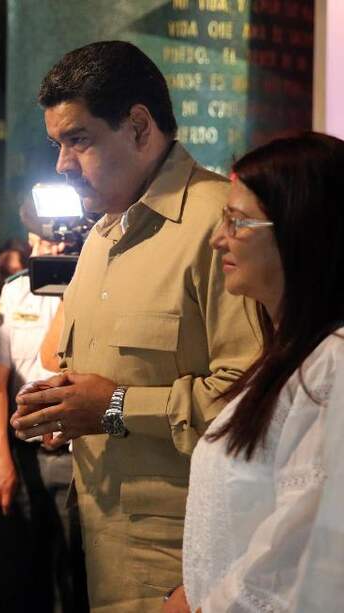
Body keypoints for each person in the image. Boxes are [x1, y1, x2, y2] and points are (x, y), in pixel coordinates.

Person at [10, 41, 259, 611]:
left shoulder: (221, 225)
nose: (62, 164)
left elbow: (257, 402)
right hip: (98, 539)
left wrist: (115, 407)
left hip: (185, 562)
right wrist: (63, 408)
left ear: (139, 127)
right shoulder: (101, 236)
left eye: (79, 140)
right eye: (56, 144)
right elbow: (92, 375)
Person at [166, 132, 344, 612]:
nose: (217, 239)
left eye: (237, 221)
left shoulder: (332, 367)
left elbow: (299, 552)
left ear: (302, 231)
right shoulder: (289, 356)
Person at [0, 230, 88, 613]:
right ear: (31, 236)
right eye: (47, 235)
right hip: (24, 456)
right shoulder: (16, 290)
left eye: (67, 235)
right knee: (18, 578)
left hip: (83, 456)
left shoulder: (102, 283)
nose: (57, 245)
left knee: (80, 579)